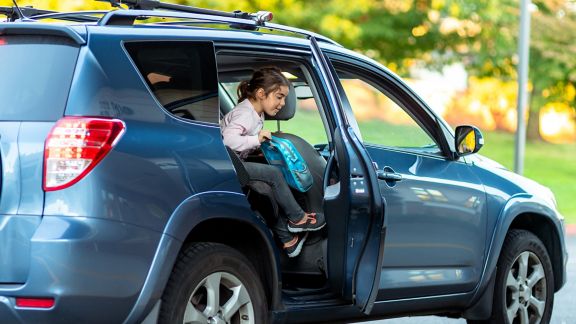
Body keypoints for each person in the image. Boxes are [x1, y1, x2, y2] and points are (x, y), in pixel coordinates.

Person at [221, 67, 325, 258]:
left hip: (233, 163)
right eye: (279, 97)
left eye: (284, 98)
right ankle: (298, 218)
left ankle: (288, 240)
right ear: (261, 93)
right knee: (274, 175)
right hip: (227, 166)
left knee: (265, 191)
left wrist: (257, 149)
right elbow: (228, 141)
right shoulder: (245, 113)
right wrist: (256, 140)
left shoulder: (255, 112)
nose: (283, 103)